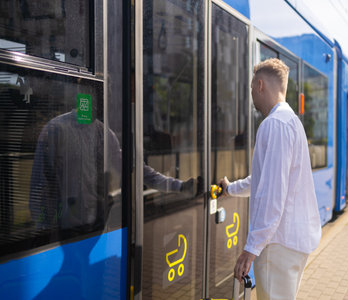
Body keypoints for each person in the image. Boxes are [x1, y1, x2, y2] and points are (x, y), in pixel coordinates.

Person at [219, 58, 321, 300]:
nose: (252, 93)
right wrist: (231, 189)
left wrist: (251, 249)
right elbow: (265, 179)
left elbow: (273, 194)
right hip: (292, 243)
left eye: (252, 87)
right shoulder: (291, 122)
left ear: (261, 85)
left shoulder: (273, 125)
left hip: (277, 245)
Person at [29, 109, 198, 230]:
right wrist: (43, 227)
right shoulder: (56, 129)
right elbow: (39, 185)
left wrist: (180, 186)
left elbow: (141, 172)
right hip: (65, 229)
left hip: (95, 226)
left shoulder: (102, 133)